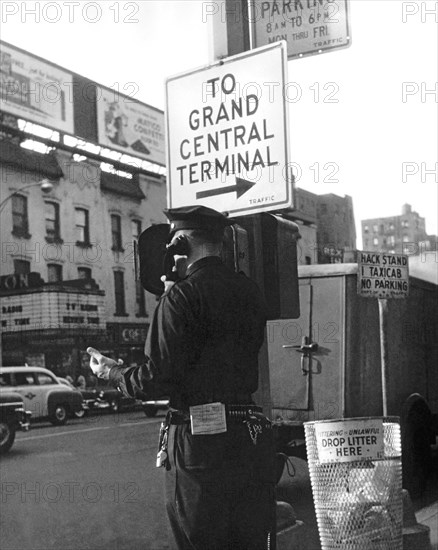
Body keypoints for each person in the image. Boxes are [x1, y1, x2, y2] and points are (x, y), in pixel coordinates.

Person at [87, 205, 276, 550]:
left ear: (182, 244)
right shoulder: (250, 292)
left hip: (198, 447)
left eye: (173, 244)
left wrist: (112, 371)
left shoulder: (180, 297)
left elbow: (156, 379)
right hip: (246, 438)